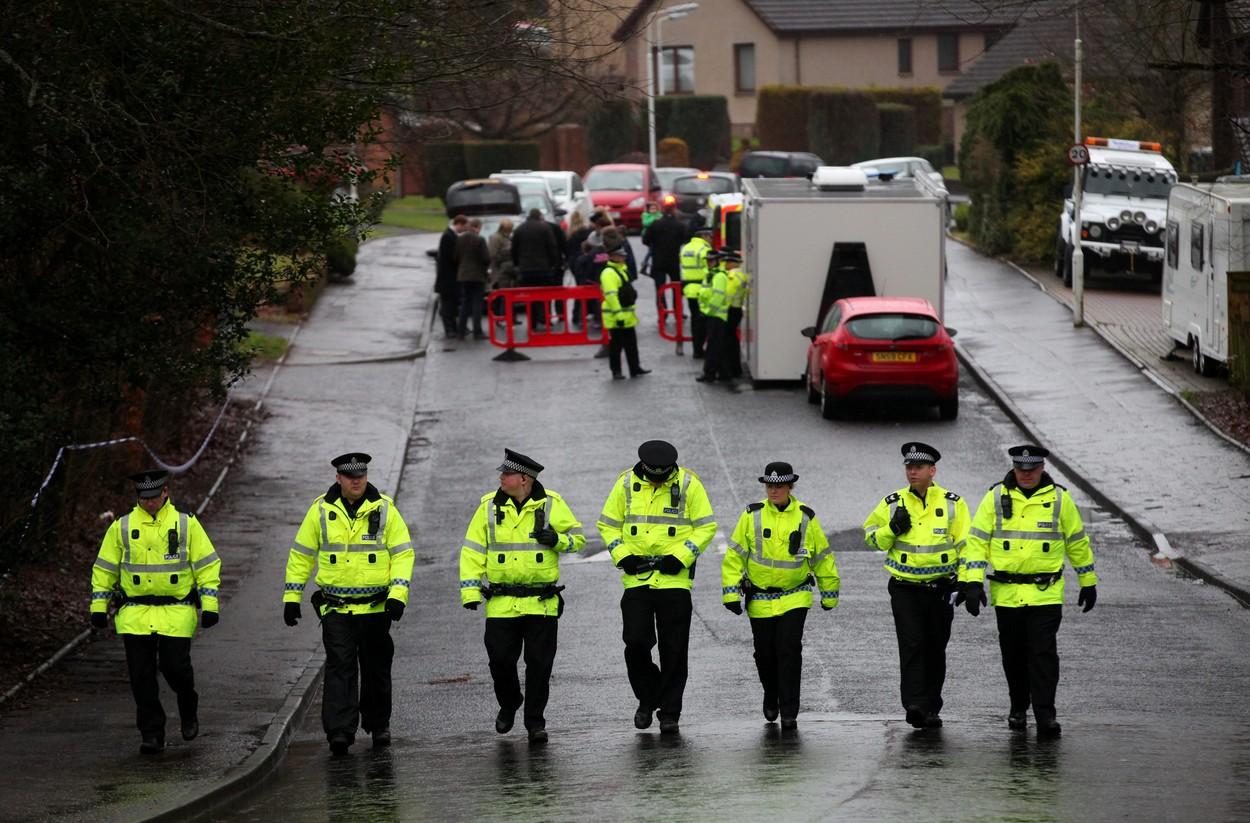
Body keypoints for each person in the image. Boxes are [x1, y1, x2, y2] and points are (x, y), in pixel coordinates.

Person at [959, 444, 1098, 738]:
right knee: (1013, 655)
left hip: (1046, 592)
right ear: (1014, 468)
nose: (1026, 474)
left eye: (1031, 469)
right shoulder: (995, 497)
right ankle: (1018, 707)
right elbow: (977, 542)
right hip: (1007, 594)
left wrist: (1088, 581)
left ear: (1042, 468)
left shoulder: (1060, 499)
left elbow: (1077, 542)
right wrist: (972, 582)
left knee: (1043, 654)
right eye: (1021, 469)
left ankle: (1046, 715)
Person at [283, 452, 414, 755]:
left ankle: (378, 724)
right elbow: (301, 555)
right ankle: (340, 731)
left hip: (376, 608)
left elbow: (403, 554)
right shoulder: (321, 511)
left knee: (376, 669)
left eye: (361, 476)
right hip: (337, 608)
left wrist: (398, 595)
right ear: (338, 478)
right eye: (350, 476)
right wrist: (291, 597)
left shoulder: (384, 509)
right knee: (340, 668)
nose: (357, 481)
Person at [89, 469, 221, 754]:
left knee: (176, 668)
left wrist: (210, 605)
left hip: (176, 611)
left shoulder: (185, 524)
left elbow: (207, 565)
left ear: (165, 492)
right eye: (144, 498)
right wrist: (98, 607)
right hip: (135, 614)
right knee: (141, 677)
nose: (150, 502)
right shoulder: (122, 527)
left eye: (154, 497)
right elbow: (104, 569)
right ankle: (151, 733)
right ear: (138, 497)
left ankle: (188, 705)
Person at [459, 449, 585, 743]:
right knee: (500, 661)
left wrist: (558, 540)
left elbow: (578, 540)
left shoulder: (552, 504)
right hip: (502, 603)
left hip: (541, 603)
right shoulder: (488, 507)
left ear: (524, 479)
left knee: (540, 665)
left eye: (507, 474)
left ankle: (535, 722)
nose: (501, 478)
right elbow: (472, 551)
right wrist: (470, 590)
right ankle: (510, 701)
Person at [597, 440, 716, 734]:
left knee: (674, 649)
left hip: (675, 580)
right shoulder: (626, 483)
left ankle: (670, 712)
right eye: (654, 476)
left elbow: (706, 526)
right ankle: (648, 696)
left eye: (663, 476)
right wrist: (623, 556)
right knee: (636, 642)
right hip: (637, 579)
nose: (658, 480)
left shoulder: (688, 484)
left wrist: (682, 556)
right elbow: (608, 524)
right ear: (644, 468)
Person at [721, 462, 839, 730]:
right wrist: (730, 593)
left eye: (779, 486)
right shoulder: (752, 515)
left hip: (795, 596)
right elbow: (734, 556)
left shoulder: (806, 517)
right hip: (760, 599)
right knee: (764, 654)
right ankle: (771, 693)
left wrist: (829, 593)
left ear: (790, 487)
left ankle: (789, 710)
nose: (773, 490)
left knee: (789, 650)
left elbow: (822, 557)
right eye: (769, 486)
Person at [862, 443, 970, 729]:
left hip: (941, 588)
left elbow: (966, 545)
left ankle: (932, 706)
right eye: (909, 467)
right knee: (911, 645)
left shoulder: (953, 503)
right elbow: (870, 538)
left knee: (935, 647)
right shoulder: (892, 503)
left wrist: (966, 581)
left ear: (932, 470)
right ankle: (915, 705)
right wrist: (892, 529)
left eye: (918, 467)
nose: (912, 471)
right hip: (905, 588)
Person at [600, 244, 650, 379]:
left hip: (627, 314)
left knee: (631, 344)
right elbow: (611, 296)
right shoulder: (609, 273)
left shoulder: (622, 270)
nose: (623, 258)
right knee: (616, 345)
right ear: (613, 257)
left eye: (623, 255)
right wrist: (618, 315)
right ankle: (616, 371)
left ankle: (635, 368)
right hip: (617, 315)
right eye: (621, 256)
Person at [512, 208, 561, 330]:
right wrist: (553, 263)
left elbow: (514, 250)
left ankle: (532, 323)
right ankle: (545, 318)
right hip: (543, 268)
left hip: (526, 269)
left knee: (530, 297)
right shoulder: (545, 228)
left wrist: (517, 264)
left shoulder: (519, 229)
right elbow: (552, 247)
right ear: (539, 216)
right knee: (545, 295)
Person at [642, 202, 687, 313]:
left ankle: (662, 313)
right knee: (677, 288)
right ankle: (678, 311)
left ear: (662, 210)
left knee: (659, 289)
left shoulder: (655, 224)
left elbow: (645, 240)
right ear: (674, 210)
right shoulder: (680, 225)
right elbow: (686, 239)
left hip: (658, 261)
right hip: (674, 261)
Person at [695, 250, 732, 384]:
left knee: (712, 347)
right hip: (712, 315)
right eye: (708, 260)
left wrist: (709, 311)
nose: (709, 262)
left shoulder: (719, 276)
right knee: (717, 346)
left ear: (718, 261)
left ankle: (709, 373)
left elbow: (718, 296)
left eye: (712, 260)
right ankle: (724, 373)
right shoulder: (711, 275)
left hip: (716, 316)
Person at [679, 226, 714, 358]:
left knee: (695, 321)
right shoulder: (704, 249)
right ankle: (700, 350)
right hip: (702, 289)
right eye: (710, 236)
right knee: (704, 322)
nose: (711, 239)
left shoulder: (685, 248)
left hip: (689, 289)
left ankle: (697, 349)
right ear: (704, 236)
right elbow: (711, 268)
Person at [455, 217, 491, 339]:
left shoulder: (460, 239)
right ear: (477, 227)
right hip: (478, 275)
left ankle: (461, 331)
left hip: (463, 275)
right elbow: (486, 258)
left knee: (465, 303)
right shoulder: (480, 239)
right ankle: (477, 331)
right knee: (477, 304)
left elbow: (456, 257)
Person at [435, 215, 467, 338]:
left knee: (452, 305)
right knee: (447, 306)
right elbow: (450, 257)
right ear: (458, 224)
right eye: (463, 227)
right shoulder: (448, 236)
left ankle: (453, 327)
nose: (463, 230)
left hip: (450, 278)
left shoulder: (451, 235)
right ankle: (449, 329)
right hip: (447, 279)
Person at [723, 252, 750, 379]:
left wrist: (721, 308)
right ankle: (735, 368)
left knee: (728, 341)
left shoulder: (732, 275)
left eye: (727, 262)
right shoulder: (741, 275)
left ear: (733, 263)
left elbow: (728, 293)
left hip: (730, 310)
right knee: (732, 339)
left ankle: (732, 368)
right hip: (737, 309)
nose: (725, 264)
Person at [639, 202, 661, 276]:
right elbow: (646, 223)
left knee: (652, 251)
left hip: (657, 236)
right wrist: (655, 219)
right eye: (651, 209)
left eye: (655, 208)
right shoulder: (646, 215)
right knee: (651, 250)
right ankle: (645, 263)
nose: (653, 210)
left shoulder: (659, 215)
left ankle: (646, 264)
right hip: (648, 236)